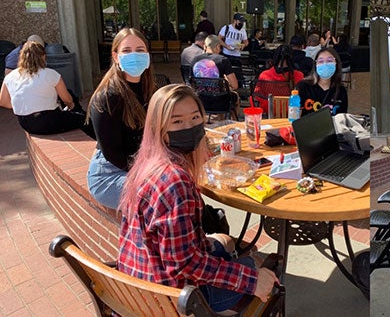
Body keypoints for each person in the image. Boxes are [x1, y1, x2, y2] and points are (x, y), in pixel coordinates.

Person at [118, 84, 279, 310]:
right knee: (262, 267)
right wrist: (251, 280)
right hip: (173, 297)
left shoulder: (147, 165)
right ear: (160, 129)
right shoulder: (174, 181)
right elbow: (183, 265)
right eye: (177, 121)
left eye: (195, 118)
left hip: (139, 281)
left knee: (225, 243)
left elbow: (174, 248)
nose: (190, 127)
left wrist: (207, 244)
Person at [86, 28, 156, 209]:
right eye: (126, 50)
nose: (134, 55)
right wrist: (150, 172)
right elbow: (113, 154)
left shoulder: (150, 90)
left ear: (147, 54)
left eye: (140, 50)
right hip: (110, 174)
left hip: (141, 164)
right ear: (116, 56)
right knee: (164, 193)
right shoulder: (108, 97)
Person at [0, 40, 86, 134]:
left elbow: (3, 102)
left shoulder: (10, 76)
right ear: (43, 56)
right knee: (83, 119)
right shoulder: (50, 74)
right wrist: (72, 107)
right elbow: (67, 99)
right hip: (48, 122)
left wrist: (24, 106)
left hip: (25, 123)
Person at [252, 44, 304, 116]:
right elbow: (302, 98)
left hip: (269, 112)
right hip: (291, 115)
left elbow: (258, 97)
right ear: (292, 57)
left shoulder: (264, 75)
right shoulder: (298, 76)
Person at [296, 46, 348, 116]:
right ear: (315, 65)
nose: (325, 64)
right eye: (320, 61)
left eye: (329, 61)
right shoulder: (303, 86)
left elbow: (342, 119)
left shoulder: (341, 90)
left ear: (336, 63)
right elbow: (295, 115)